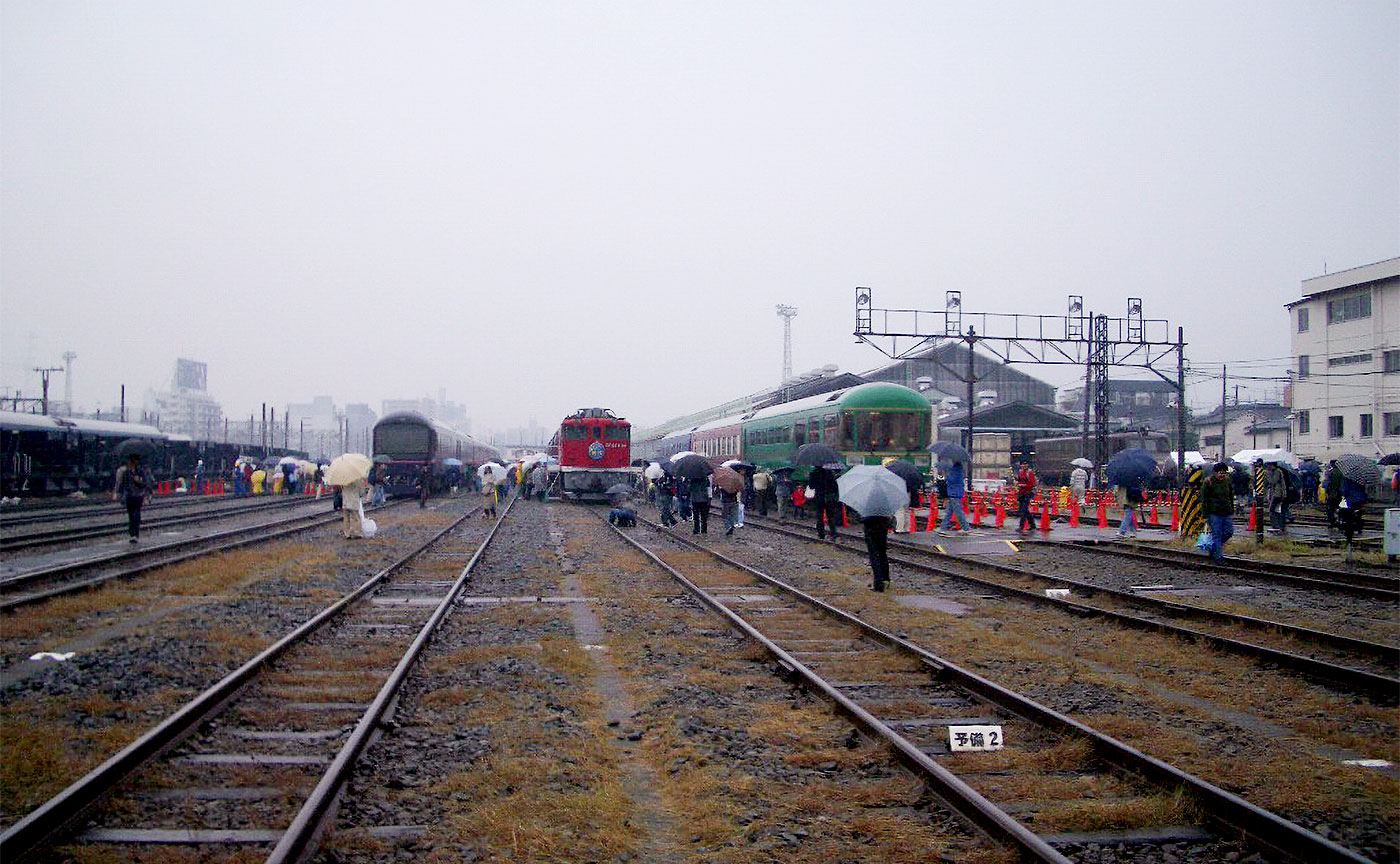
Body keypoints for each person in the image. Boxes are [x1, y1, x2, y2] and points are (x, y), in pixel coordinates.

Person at [112, 453, 153, 542]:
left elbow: (145, 484)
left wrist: (139, 481)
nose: (133, 462)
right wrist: (117, 492)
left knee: (136, 514)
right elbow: (122, 483)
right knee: (131, 515)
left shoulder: (140, 471)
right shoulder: (126, 472)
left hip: (138, 495)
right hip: (129, 495)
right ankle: (132, 533)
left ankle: (135, 534)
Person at [1201, 462, 1235, 561]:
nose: (1222, 475)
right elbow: (1204, 499)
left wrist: (1232, 508)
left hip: (1226, 512)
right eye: (1220, 473)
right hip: (1214, 513)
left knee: (1229, 532)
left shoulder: (1227, 481)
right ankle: (1219, 558)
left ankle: (1214, 548)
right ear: (1215, 473)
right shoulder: (1208, 482)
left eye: (1224, 473)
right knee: (1217, 534)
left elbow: (1230, 496)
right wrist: (1205, 515)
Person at [1338, 476, 1368, 563]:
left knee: (1346, 516)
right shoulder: (1362, 478)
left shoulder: (1347, 478)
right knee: (1358, 514)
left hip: (1349, 500)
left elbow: (1343, 490)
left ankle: (1348, 535)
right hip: (1360, 500)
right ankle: (1359, 527)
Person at [937, 460, 971, 535]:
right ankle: (943, 527)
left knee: (958, 512)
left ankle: (966, 528)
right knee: (948, 512)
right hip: (953, 493)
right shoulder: (957, 470)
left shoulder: (956, 471)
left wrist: (946, 475)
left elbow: (952, 480)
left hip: (954, 493)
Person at [862, 512, 893, 592]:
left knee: (874, 556)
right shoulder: (884, 501)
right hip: (882, 528)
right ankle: (886, 579)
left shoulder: (868, 504)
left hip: (871, 530)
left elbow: (865, 519)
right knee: (883, 554)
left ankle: (878, 583)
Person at [809, 465, 841, 540]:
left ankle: (821, 534)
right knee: (831, 516)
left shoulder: (814, 473)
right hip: (829, 497)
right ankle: (833, 534)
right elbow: (834, 486)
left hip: (819, 497)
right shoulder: (829, 472)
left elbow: (811, 486)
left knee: (819, 516)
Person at [1263, 461, 1288, 535]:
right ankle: (1280, 527)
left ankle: (1276, 527)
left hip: (1277, 494)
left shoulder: (1277, 472)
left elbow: (1273, 481)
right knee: (1277, 511)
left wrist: (1267, 474)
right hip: (1277, 494)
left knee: (1272, 511)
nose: (1268, 467)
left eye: (1269, 465)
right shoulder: (1277, 471)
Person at [1015, 461, 1037, 534]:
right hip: (1021, 493)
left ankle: (1021, 526)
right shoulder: (1020, 472)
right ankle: (1032, 524)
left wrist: (1023, 485)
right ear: (1021, 465)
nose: (1024, 465)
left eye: (1026, 464)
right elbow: (1018, 481)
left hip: (1028, 493)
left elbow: (1032, 484)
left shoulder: (1030, 473)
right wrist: (1017, 483)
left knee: (1024, 510)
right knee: (1023, 509)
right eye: (1023, 464)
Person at [1323, 460, 1343, 533]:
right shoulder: (1342, 473)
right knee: (1341, 508)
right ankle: (1340, 521)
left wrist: (1327, 492)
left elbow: (1328, 484)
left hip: (1332, 494)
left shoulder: (1331, 473)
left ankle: (1332, 522)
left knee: (1330, 508)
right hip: (1341, 494)